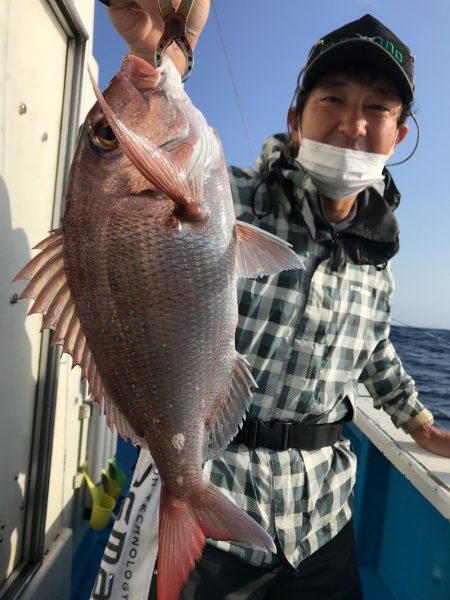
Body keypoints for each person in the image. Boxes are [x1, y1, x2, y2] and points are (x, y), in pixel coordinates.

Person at [104, 3, 450, 599]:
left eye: (377, 109)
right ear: (295, 120)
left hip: (322, 519)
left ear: (400, 135)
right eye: (333, 100)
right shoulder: (224, 198)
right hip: (217, 494)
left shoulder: (380, 253)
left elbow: (375, 350)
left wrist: (420, 424)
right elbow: (130, 184)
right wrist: (166, 56)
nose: (353, 124)